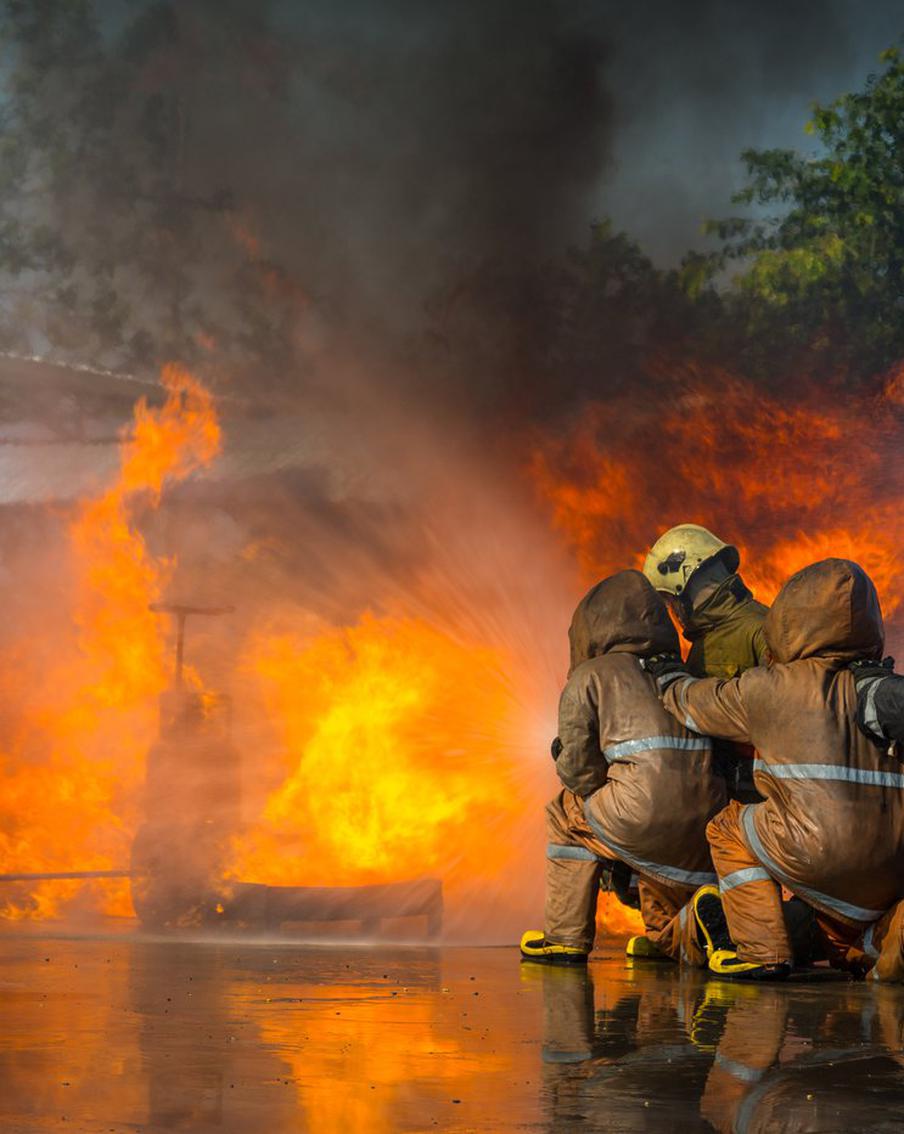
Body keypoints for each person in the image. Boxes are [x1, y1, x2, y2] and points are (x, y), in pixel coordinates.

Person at [650, 558, 904, 981]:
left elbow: (694, 703)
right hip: (891, 867)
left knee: (728, 827)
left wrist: (666, 675)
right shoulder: (880, 689)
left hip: (817, 853)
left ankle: (760, 951)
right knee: (838, 931)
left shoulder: (767, 688)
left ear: (789, 620)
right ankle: (877, 945)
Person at [520, 570, 727, 966]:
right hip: (705, 823)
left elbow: (579, 773)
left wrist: (574, 764)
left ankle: (564, 938)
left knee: (565, 812)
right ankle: (687, 922)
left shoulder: (590, 677)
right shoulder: (685, 674)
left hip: (640, 817)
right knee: (664, 920)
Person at [643, 523, 768, 803]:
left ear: (683, 584)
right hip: (718, 796)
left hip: (755, 801)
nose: (673, 610)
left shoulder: (761, 629)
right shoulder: (704, 640)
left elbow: (782, 719)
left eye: (670, 600)